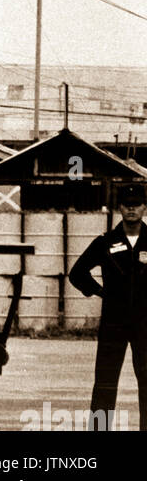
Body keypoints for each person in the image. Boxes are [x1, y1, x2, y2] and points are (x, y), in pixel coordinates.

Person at [68, 181, 147, 430]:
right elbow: (77, 273)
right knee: (104, 382)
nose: (132, 209)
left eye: (137, 205)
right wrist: (100, 291)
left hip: (146, 323)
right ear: (119, 208)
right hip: (113, 322)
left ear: (145, 208)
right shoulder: (105, 242)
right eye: (127, 205)